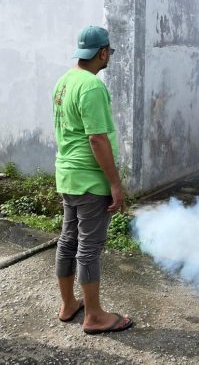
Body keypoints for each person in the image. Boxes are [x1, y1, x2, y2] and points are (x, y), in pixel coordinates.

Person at [53, 25, 134, 334]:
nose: (109, 57)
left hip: (68, 175)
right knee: (88, 247)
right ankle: (95, 315)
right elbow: (97, 139)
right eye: (109, 52)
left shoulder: (64, 81)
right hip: (89, 179)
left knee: (68, 241)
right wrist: (115, 183)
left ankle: (68, 304)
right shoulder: (91, 86)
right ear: (102, 53)